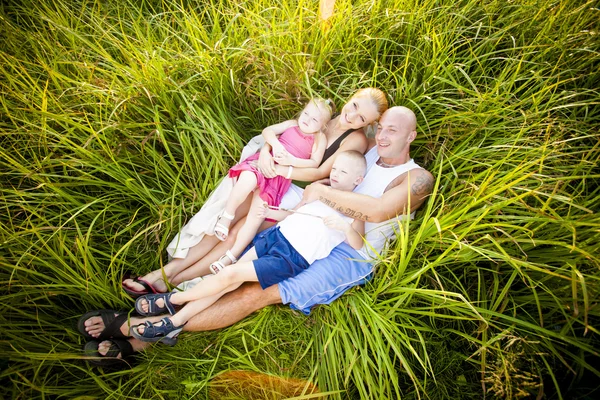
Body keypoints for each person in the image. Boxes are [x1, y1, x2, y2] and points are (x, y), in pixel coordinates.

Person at [80, 105, 435, 365]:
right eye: (382, 128)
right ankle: (170, 283)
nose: (384, 135)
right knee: (247, 226)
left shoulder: (416, 178)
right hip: (312, 224)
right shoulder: (368, 146)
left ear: (412, 136)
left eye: (394, 130)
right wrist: (270, 144)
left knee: (256, 292)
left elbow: (376, 211)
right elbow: (339, 119)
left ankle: (143, 333)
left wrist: (321, 193)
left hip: (351, 253)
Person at [121, 88, 388, 296]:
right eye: (354, 105)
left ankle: (175, 281)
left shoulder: (356, 139)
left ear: (369, 123)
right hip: (272, 170)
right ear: (350, 98)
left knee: (240, 231)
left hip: (296, 190)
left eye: (362, 117)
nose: (352, 115)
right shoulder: (322, 115)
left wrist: (281, 170)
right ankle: (165, 271)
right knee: (226, 219)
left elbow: (320, 172)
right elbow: (284, 137)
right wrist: (266, 154)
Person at [130, 151, 367, 344]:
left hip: (291, 257)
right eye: (334, 168)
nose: (335, 174)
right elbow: (297, 213)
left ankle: (174, 299)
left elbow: (358, 243)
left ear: (358, 179)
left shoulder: (356, 208)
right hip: (276, 236)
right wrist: (275, 213)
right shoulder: (321, 189)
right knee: (226, 281)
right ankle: (174, 322)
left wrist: (344, 228)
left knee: (231, 273)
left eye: (343, 171)